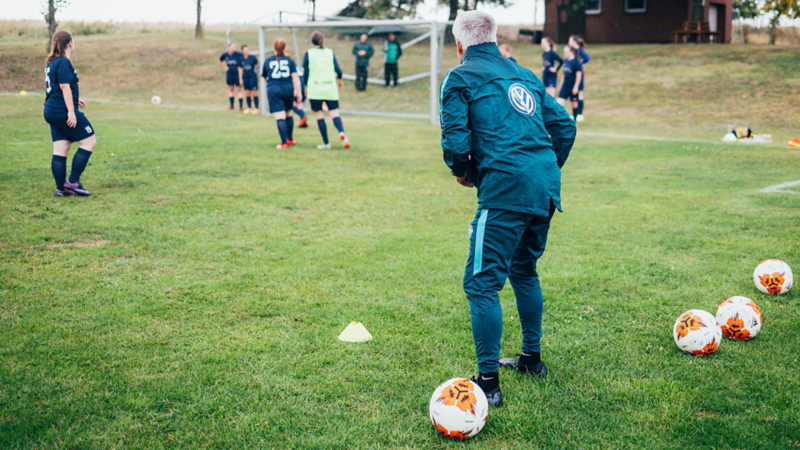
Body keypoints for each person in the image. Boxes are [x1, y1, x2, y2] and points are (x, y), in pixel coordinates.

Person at [439, 11, 576, 406]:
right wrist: (543, 170)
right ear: (494, 38)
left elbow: (455, 141)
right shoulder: (524, 74)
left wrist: (464, 172)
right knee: (523, 269)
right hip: (544, 188)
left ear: (460, 44)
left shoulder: (460, 76)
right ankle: (532, 360)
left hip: (505, 190)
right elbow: (564, 127)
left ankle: (488, 384)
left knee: (481, 284)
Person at [43, 31, 98, 197]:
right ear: (70, 43)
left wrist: (75, 100)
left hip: (52, 110)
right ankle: (73, 182)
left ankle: (61, 189)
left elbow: (58, 87)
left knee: (61, 147)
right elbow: (64, 87)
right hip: (62, 110)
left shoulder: (52, 63)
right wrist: (71, 111)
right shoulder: (64, 62)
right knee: (89, 142)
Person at [303, 31, 350, 150]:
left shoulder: (309, 53)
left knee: (319, 115)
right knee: (334, 113)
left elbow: (306, 73)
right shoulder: (329, 52)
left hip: (315, 88)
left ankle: (326, 143)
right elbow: (338, 70)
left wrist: (305, 86)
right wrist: (340, 80)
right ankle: (341, 132)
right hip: (330, 88)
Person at [263, 39, 302, 149]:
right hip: (287, 88)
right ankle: (289, 139)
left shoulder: (268, 60)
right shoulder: (290, 61)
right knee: (289, 113)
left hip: (274, 89)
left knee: (280, 116)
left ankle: (284, 143)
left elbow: (265, 77)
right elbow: (295, 78)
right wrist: (298, 92)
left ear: (274, 48)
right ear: (284, 48)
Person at [557, 45, 582, 121]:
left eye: (566, 51)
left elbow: (578, 76)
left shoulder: (577, 62)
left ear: (572, 52)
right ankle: (561, 120)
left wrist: (576, 87)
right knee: (559, 103)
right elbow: (564, 75)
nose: (565, 53)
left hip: (572, 86)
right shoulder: (565, 61)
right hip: (565, 85)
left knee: (574, 105)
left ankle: (575, 122)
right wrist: (561, 85)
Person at [569, 35, 590, 122]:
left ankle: (580, 114)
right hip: (573, 74)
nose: (568, 42)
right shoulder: (573, 51)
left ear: (574, 42)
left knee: (579, 93)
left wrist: (580, 63)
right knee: (574, 95)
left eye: (569, 40)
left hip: (579, 74)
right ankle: (575, 113)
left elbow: (587, 58)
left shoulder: (579, 50)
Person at [219, 42, 244, 111]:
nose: (234, 49)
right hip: (230, 74)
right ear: (229, 48)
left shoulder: (238, 54)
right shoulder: (225, 55)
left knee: (239, 89)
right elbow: (220, 60)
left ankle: (241, 106)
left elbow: (242, 62)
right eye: (232, 47)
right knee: (230, 89)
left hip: (237, 74)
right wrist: (224, 67)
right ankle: (232, 105)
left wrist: (241, 76)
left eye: (234, 47)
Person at [239, 44, 259, 114]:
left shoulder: (253, 57)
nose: (247, 51)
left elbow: (257, 65)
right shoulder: (241, 59)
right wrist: (240, 78)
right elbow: (240, 69)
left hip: (252, 77)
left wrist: (257, 66)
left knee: (254, 92)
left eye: (247, 50)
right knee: (247, 92)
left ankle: (256, 108)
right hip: (245, 77)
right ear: (242, 51)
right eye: (245, 50)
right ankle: (249, 108)